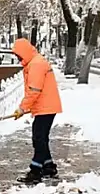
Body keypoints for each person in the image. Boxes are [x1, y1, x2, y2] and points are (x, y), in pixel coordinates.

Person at [11, 37, 63, 183]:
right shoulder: (34, 62)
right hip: (45, 106)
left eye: (18, 55)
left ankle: (35, 171)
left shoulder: (36, 65)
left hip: (46, 107)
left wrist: (22, 108)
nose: (18, 58)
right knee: (41, 138)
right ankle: (48, 167)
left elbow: (34, 90)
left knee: (38, 138)